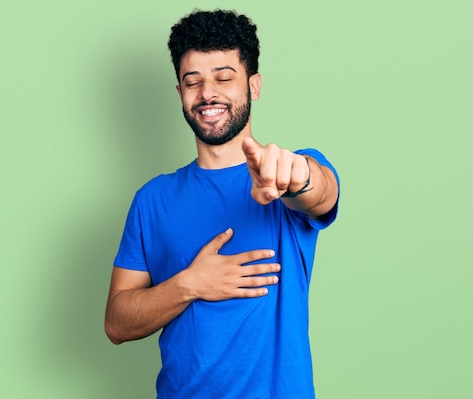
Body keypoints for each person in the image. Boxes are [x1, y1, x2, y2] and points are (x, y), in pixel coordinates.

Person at [105, 9, 340, 399]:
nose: (207, 93)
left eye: (224, 77)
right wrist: (189, 284)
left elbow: (321, 192)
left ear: (254, 85)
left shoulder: (289, 172)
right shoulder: (152, 199)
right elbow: (117, 323)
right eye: (192, 81)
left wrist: (297, 177)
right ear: (179, 93)